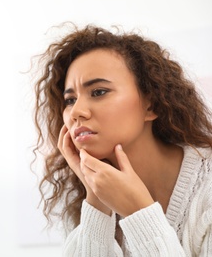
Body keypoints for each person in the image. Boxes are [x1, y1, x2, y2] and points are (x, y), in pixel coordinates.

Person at [32, 23, 212, 256]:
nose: (76, 111)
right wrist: (96, 201)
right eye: (70, 100)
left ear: (152, 104)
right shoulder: (82, 201)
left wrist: (139, 213)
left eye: (98, 92)